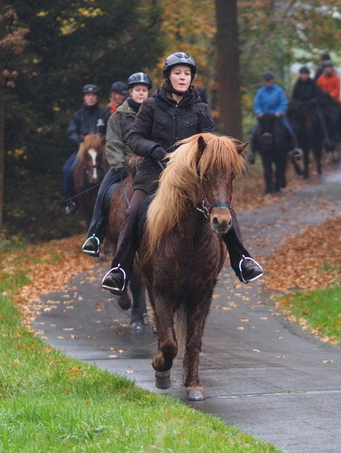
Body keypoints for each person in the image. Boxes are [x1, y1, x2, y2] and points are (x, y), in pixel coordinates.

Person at [101, 52, 263, 295]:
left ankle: (242, 260)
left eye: (186, 73)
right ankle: (120, 269)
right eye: (177, 73)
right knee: (133, 211)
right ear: (168, 76)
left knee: (223, 208)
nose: (182, 77)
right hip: (154, 173)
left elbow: (210, 143)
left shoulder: (200, 108)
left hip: (191, 179)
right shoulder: (151, 105)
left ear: (191, 78)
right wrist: (153, 149)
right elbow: (134, 138)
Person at [81, 72, 152, 257]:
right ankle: (95, 235)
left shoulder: (156, 114)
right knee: (103, 191)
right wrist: (119, 163)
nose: (141, 93)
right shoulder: (117, 117)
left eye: (144, 90)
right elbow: (112, 143)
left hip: (150, 165)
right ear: (130, 92)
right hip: (125, 164)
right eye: (137, 90)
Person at [63, 84, 108, 215]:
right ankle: (71, 201)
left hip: (101, 150)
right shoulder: (77, 116)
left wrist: (103, 139)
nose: (91, 98)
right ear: (84, 97)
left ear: (97, 97)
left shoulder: (104, 114)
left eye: (93, 95)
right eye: (88, 95)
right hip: (83, 150)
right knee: (67, 170)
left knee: (116, 168)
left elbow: (111, 129)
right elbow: (71, 132)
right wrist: (79, 141)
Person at [247, 71, 300, 164]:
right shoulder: (260, 92)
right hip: (264, 118)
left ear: (272, 80)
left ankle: (294, 149)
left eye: (269, 80)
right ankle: (252, 152)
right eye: (266, 80)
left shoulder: (279, 91)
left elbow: (283, 103)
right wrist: (259, 113)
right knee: (255, 132)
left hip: (276, 117)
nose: (267, 82)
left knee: (289, 129)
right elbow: (257, 104)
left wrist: (279, 112)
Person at [291, 66, 329, 142]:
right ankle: (293, 141)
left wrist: (311, 102)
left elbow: (318, 95)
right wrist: (297, 103)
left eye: (305, 74)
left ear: (308, 75)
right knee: (292, 119)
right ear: (300, 75)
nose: (304, 76)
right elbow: (293, 97)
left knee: (320, 117)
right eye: (302, 74)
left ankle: (325, 137)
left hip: (311, 107)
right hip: (300, 107)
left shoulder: (312, 83)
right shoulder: (297, 84)